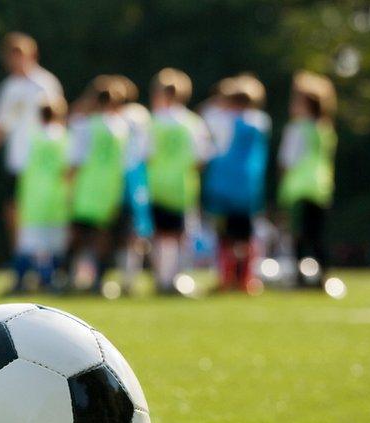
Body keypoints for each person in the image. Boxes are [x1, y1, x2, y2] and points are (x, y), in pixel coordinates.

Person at [0, 32, 65, 248]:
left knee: (44, 214)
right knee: (14, 212)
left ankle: (47, 262)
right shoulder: (9, 88)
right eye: (11, 55)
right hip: (18, 162)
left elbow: (59, 124)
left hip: (42, 163)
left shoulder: (45, 84)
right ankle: (23, 260)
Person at [201, 74, 271, 292]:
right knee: (246, 237)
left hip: (223, 189)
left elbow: (206, 114)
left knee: (225, 238)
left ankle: (227, 278)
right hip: (249, 189)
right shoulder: (260, 121)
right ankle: (247, 279)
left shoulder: (221, 119)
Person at [147, 68, 212, 293]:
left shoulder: (153, 122)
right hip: (182, 187)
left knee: (159, 237)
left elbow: (145, 155)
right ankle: (176, 279)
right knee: (179, 238)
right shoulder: (192, 123)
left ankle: (162, 279)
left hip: (156, 186)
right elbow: (201, 158)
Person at [66, 76, 129, 292]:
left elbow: (76, 159)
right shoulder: (121, 127)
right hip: (110, 188)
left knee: (80, 236)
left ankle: (72, 278)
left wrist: (68, 183)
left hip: (86, 187)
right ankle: (99, 280)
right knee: (103, 237)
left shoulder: (84, 126)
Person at [278, 71, 337, 287]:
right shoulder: (325, 129)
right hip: (321, 188)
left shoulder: (296, 129)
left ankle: (301, 278)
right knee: (318, 236)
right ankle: (322, 277)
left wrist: (283, 181)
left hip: (299, 189)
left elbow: (287, 160)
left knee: (299, 236)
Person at [9, 99, 69, 293]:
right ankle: (52, 280)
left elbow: (18, 166)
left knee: (31, 243)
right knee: (53, 244)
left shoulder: (30, 137)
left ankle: (23, 281)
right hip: (58, 196)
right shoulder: (64, 138)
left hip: (34, 197)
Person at [114, 76, 154, 294]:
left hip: (123, 178)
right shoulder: (142, 115)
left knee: (128, 232)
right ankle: (130, 277)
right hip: (135, 177)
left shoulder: (124, 117)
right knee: (133, 232)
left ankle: (127, 277)